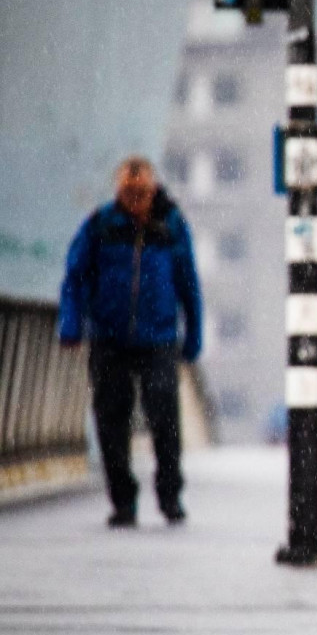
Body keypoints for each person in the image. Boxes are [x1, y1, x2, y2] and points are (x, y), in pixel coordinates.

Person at [58, 156, 203, 527]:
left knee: (165, 419)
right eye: (128, 192)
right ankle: (123, 501)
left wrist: (193, 337)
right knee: (111, 421)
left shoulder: (171, 225)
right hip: (110, 338)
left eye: (142, 192)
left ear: (154, 190)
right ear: (118, 191)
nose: (136, 199)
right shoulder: (101, 225)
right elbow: (75, 276)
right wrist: (71, 325)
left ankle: (170, 495)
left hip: (159, 339)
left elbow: (189, 284)